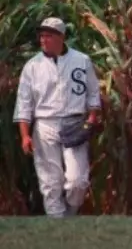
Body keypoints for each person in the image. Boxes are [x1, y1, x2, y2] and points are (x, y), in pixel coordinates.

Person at [13, 17, 101, 217]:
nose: (44, 40)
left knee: (78, 181)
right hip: (45, 124)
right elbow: (24, 103)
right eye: (42, 36)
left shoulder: (81, 60)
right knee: (50, 182)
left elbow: (93, 92)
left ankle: (69, 215)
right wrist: (25, 135)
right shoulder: (32, 66)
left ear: (61, 37)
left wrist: (92, 117)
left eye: (49, 36)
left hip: (75, 122)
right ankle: (57, 225)